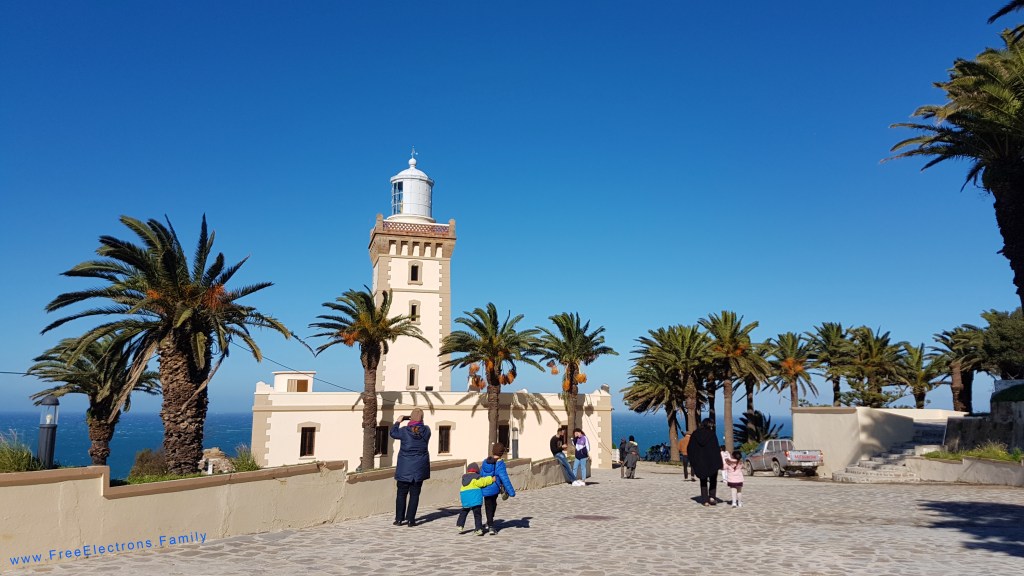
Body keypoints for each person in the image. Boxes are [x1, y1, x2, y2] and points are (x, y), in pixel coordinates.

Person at [391, 408, 431, 526]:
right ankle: (410, 519)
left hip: (404, 468)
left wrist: (398, 421)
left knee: (401, 494)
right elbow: (419, 429)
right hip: (419, 469)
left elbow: (393, 433)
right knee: (415, 494)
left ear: (411, 418)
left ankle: (399, 519)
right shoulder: (426, 431)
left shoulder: (404, 431)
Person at [480, 442, 517, 535]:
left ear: (493, 451)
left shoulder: (485, 462)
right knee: (492, 505)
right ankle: (491, 526)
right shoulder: (500, 464)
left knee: (489, 505)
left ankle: (489, 522)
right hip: (494, 489)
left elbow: (480, 475)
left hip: (484, 488)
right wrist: (511, 492)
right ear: (502, 453)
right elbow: (504, 478)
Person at [686, 418, 722, 507]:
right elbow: (715, 449)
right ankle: (712, 497)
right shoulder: (712, 434)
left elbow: (690, 448)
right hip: (712, 461)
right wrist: (719, 461)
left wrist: (694, 459)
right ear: (709, 425)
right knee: (713, 480)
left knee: (703, 480)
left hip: (701, 461)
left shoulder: (695, 434)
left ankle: (705, 500)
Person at [456, 462, 494, 536]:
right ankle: (478, 529)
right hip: (475, 499)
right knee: (477, 515)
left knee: (464, 511)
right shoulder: (476, 478)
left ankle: (460, 525)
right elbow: (482, 482)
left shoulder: (464, 479)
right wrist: (491, 479)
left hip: (465, 499)